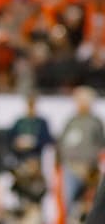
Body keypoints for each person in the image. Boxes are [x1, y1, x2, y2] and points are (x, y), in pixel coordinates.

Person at [57, 86, 105, 220]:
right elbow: (62, 141)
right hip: (70, 166)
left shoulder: (95, 122)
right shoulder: (71, 120)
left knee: (90, 204)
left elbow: (101, 143)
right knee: (69, 203)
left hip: (89, 170)